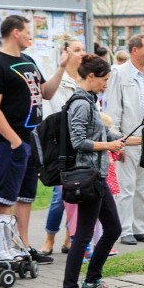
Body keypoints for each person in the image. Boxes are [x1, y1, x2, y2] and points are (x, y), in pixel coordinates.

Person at [56, 54, 141, 288]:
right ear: (90, 77)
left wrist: (142, 141)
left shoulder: (91, 100)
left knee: (113, 227)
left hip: (98, 176)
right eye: (103, 80)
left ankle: (91, 281)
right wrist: (109, 146)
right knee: (82, 236)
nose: (105, 84)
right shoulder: (81, 103)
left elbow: (106, 134)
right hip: (87, 176)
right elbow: (78, 140)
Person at [0, 15, 70, 264]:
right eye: (28, 31)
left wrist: (61, 67)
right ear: (15, 32)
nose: (31, 36)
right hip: (11, 142)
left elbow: (46, 93)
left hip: (31, 139)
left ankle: (23, 247)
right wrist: (14, 141)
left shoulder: (28, 60)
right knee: (6, 196)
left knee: (25, 196)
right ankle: (1, 246)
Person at [104, 34, 144, 245]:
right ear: (134, 50)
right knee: (126, 187)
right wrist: (117, 141)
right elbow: (113, 108)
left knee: (142, 188)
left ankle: (139, 228)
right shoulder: (119, 74)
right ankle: (125, 229)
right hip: (128, 140)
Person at [43, 40, 86, 256]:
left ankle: (70, 237)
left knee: (78, 193)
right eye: (77, 50)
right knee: (59, 197)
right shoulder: (59, 81)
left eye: (82, 49)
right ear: (65, 54)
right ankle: (49, 237)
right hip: (63, 146)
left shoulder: (86, 79)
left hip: (84, 146)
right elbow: (58, 112)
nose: (82, 53)